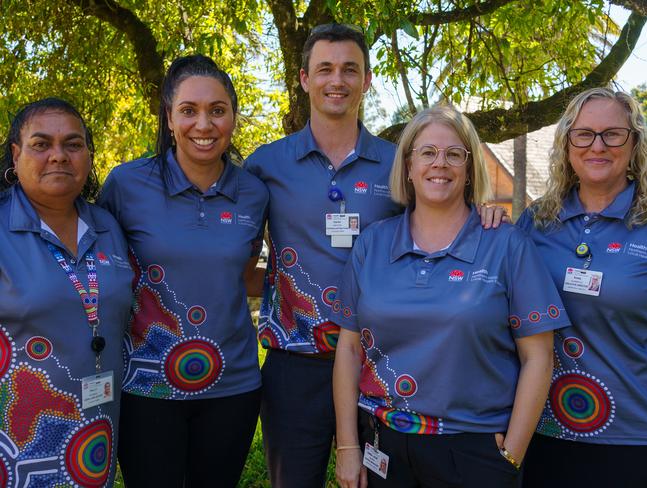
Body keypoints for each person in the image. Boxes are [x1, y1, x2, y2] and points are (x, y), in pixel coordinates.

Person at [245, 23, 505, 487]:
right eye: (324, 69)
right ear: (304, 79)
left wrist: (480, 208)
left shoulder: (399, 163)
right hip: (294, 363)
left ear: (367, 81)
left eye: (350, 69)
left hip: (379, 366)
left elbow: (441, 212)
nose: (336, 80)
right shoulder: (266, 163)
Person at [331, 105, 569, 488]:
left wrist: (510, 455)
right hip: (384, 442)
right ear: (408, 166)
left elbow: (539, 355)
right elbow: (349, 350)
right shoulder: (372, 244)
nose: (440, 164)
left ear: (470, 168)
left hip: (474, 450)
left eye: (454, 154)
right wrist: (347, 447)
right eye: (427, 152)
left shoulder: (507, 245)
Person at [98, 55, 268, 487]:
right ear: (169, 117)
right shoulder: (125, 184)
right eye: (188, 111)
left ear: (232, 115)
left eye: (217, 110)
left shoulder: (254, 193)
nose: (204, 125)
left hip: (233, 384)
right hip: (146, 386)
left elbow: (245, 274)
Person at [517, 87, 647, 487]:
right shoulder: (536, 221)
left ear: (634, 143)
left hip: (633, 437)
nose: (598, 145)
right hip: (541, 432)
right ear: (567, 143)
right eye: (584, 134)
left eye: (612, 134)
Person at [0, 98, 133, 486]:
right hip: (15, 439)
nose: (59, 156)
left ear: (89, 154)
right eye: (41, 144)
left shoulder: (108, 226)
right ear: (15, 154)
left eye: (73, 144)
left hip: (95, 432)